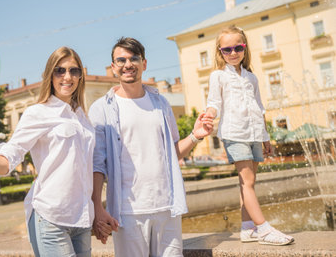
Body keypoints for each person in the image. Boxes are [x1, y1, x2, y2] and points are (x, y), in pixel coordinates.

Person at [0, 47, 96, 257]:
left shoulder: (81, 115)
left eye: (74, 71)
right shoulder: (37, 113)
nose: (68, 77)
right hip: (52, 219)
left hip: (83, 219)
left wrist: (98, 212)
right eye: (60, 70)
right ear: (49, 75)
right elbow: (5, 162)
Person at [89, 37, 213, 256]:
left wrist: (195, 136)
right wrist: (98, 209)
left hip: (168, 207)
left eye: (134, 58)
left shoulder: (160, 103)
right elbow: (97, 165)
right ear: (113, 68)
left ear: (144, 64)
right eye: (121, 60)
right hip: (127, 213)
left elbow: (171, 154)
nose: (128, 64)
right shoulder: (102, 109)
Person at [204, 25, 294, 246]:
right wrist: (209, 115)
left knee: (247, 183)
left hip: (254, 133)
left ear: (244, 48)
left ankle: (247, 228)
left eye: (238, 47)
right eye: (227, 49)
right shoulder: (218, 76)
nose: (233, 53)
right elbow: (214, 102)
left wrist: (265, 137)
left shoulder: (251, 77)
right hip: (235, 133)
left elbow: (259, 107)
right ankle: (263, 229)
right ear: (220, 51)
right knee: (248, 181)